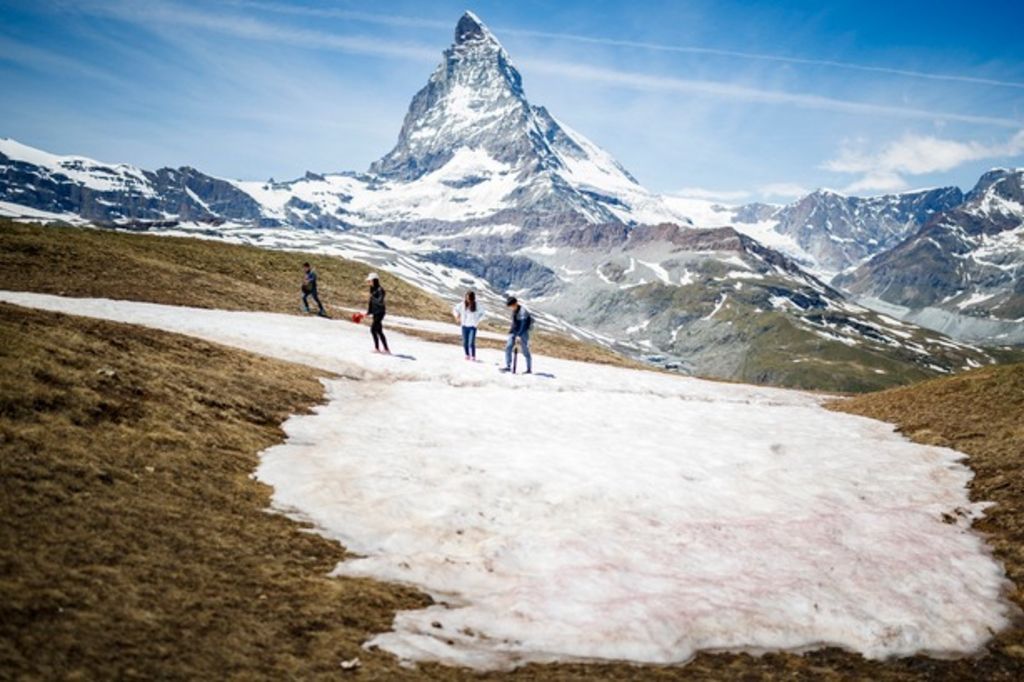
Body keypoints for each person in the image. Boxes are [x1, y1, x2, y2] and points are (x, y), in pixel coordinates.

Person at [502, 296, 532, 374]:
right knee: (508, 347)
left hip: (523, 332)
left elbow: (523, 324)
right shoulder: (513, 310)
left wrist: (519, 335)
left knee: (525, 350)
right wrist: (511, 331)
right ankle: (508, 366)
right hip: (513, 331)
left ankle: (529, 369)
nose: (511, 308)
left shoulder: (523, 311)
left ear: (515, 303)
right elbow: (514, 322)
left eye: (511, 305)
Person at [452, 290, 485, 360]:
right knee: (465, 342)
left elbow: (483, 314)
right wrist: (457, 316)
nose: (468, 300)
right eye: (467, 298)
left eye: (469, 299)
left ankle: (473, 356)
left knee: (471, 342)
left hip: (472, 327)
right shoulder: (462, 304)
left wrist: (477, 321)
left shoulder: (477, 305)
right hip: (464, 326)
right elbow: (455, 309)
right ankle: (467, 355)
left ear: (473, 298)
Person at [365, 272, 390, 354]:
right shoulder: (372, 289)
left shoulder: (380, 290)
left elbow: (380, 301)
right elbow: (371, 302)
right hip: (375, 312)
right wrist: (369, 312)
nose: (368, 283)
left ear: (374, 281)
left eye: (370, 281)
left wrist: (372, 298)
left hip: (380, 312)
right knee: (379, 331)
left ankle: (377, 348)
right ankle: (385, 349)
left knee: (373, 329)